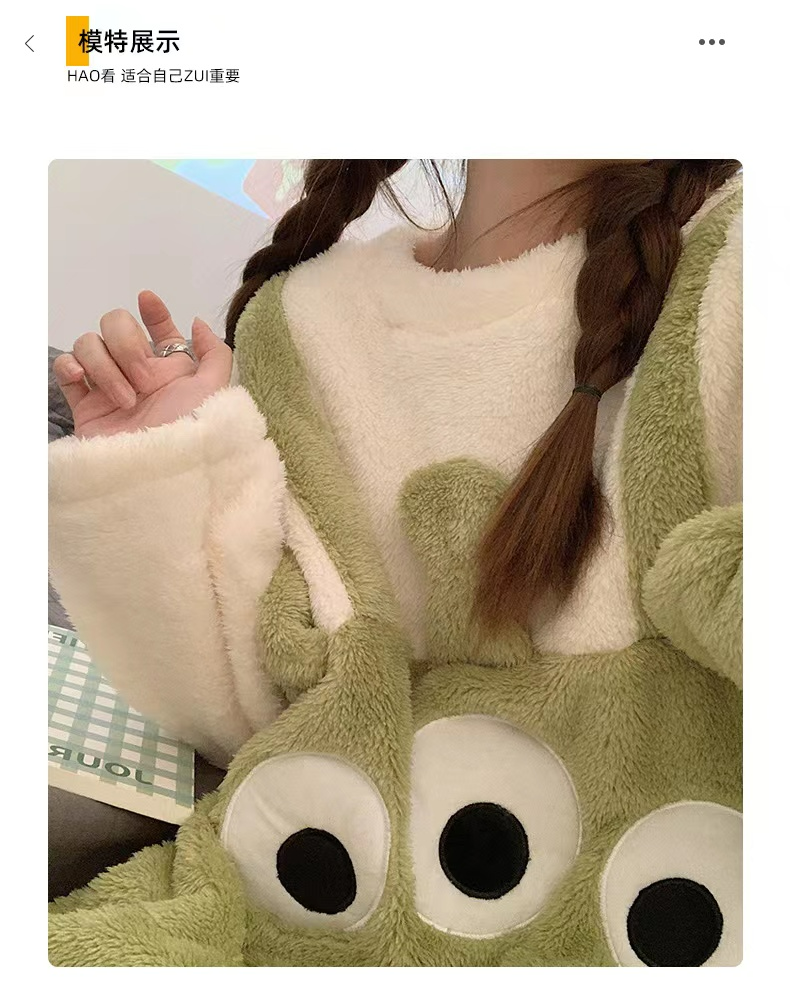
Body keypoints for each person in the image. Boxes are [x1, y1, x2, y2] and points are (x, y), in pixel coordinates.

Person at [48, 161, 743, 965]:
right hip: (290, 927)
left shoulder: (734, 269)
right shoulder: (300, 320)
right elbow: (253, 722)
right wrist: (168, 466)